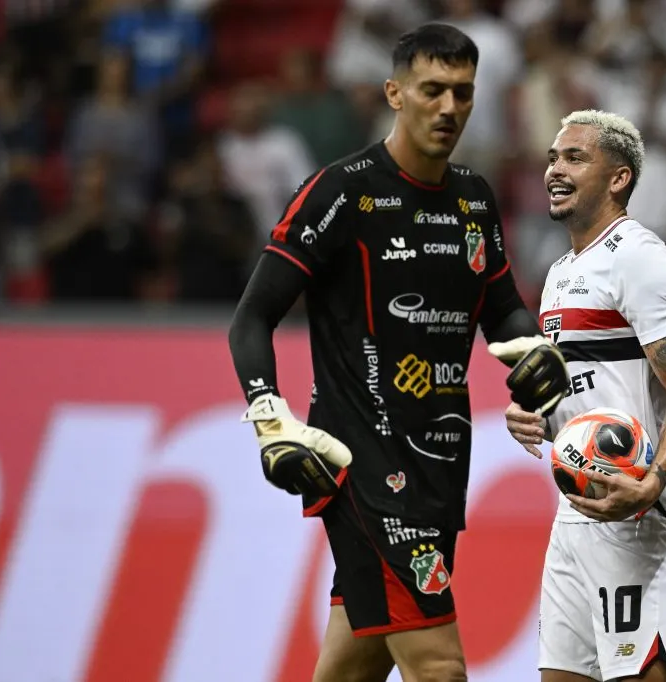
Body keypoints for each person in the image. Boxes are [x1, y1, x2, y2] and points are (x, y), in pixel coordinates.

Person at [227, 24, 568, 682]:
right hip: (365, 466)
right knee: (438, 666)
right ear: (394, 93)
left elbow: (502, 311)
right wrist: (271, 422)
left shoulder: (473, 199)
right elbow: (251, 319)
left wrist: (533, 353)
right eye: (432, 90)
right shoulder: (342, 193)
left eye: (463, 94)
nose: (449, 108)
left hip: (440, 465)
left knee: (353, 665)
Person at [505, 110, 666, 682]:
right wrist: (535, 417)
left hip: (638, 506)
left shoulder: (639, 258)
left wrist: (652, 480)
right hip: (577, 508)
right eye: (551, 158)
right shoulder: (559, 273)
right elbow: (586, 383)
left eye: (574, 157)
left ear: (619, 178)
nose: (554, 169)